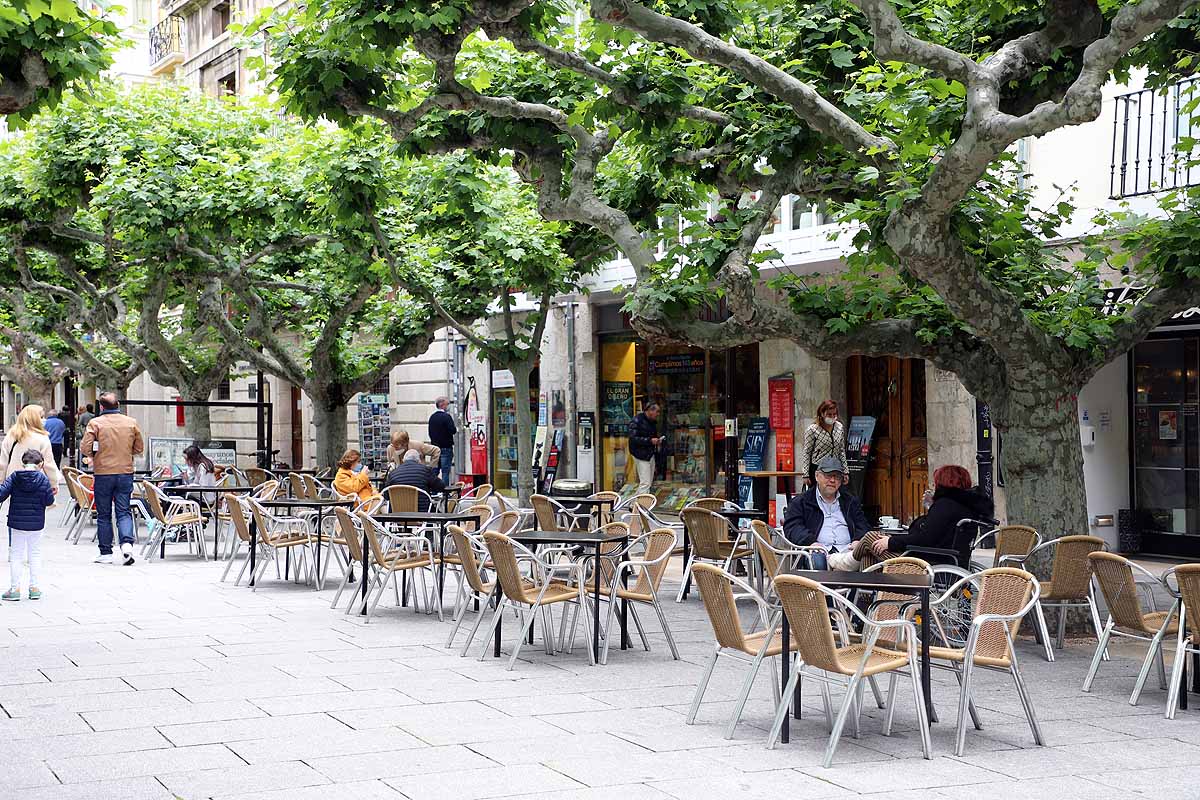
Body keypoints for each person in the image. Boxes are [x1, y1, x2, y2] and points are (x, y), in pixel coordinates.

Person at [871, 465, 995, 566]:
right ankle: (862, 590)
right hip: (949, 557)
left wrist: (891, 542)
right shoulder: (965, 505)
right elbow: (941, 529)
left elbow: (925, 538)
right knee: (871, 546)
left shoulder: (945, 505)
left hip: (927, 559)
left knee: (870, 539)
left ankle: (858, 585)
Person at [80, 392, 144, 566]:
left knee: (104, 514)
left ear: (101, 407)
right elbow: (139, 448)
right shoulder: (131, 422)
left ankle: (106, 552)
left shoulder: (95, 423)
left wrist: (95, 453)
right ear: (118, 405)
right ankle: (126, 545)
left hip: (103, 473)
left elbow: (85, 448)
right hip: (125, 472)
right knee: (123, 511)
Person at [782, 456, 870, 570]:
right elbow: (792, 527)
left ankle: (851, 583)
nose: (833, 480)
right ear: (817, 476)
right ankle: (829, 585)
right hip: (819, 551)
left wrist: (858, 540)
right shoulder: (801, 502)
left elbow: (862, 524)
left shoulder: (850, 501)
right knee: (818, 561)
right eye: (828, 475)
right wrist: (811, 542)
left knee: (868, 557)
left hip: (847, 551)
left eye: (837, 477)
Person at [0, 450, 56, 601]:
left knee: (16, 555)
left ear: (23, 463)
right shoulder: (43, 479)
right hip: (37, 523)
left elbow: (1, 494)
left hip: (16, 523)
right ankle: (34, 588)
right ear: (41, 464)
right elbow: (49, 501)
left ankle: (14, 589)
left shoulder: (15, 477)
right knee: (35, 554)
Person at [0, 405, 59, 488]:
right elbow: (48, 464)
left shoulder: (11, 435)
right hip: (36, 483)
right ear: (35, 419)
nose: (44, 420)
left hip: (13, 482)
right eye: (41, 417)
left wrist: (2, 483)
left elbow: (3, 464)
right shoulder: (42, 438)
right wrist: (53, 483)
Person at [799, 399, 849, 486]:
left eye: (834, 414)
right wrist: (805, 474)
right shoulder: (813, 429)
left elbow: (841, 451)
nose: (832, 417)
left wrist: (845, 471)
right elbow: (807, 452)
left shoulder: (839, 427)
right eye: (829, 414)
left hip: (835, 467)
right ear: (822, 414)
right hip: (818, 468)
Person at [628, 402, 661, 494]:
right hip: (641, 454)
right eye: (657, 411)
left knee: (647, 482)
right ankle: (642, 505)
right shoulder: (637, 420)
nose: (658, 414)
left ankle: (634, 504)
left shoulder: (651, 422)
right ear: (650, 411)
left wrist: (655, 441)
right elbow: (633, 438)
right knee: (646, 482)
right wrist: (650, 440)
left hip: (649, 453)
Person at [427, 397, 457, 484]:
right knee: (445, 472)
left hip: (434, 448)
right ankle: (444, 492)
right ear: (442, 405)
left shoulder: (432, 417)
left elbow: (430, 433)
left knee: (435, 471)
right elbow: (453, 430)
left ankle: (433, 491)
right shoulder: (447, 417)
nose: (448, 406)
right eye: (447, 404)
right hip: (446, 448)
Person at [182, 444, 217, 508]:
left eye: (186, 459)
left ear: (192, 458)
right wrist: (187, 480)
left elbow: (203, 487)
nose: (185, 462)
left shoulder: (203, 467)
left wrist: (189, 486)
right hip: (204, 497)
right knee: (179, 496)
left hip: (205, 500)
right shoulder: (198, 466)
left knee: (178, 497)